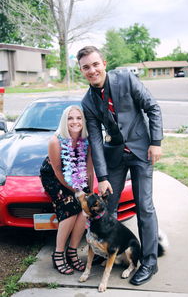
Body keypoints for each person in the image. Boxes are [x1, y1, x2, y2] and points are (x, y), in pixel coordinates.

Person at [77, 46, 163, 286]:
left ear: (103, 63)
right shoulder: (88, 101)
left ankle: (149, 260)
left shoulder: (125, 78)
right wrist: (102, 176)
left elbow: (152, 108)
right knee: (108, 207)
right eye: (86, 67)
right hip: (114, 156)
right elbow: (95, 138)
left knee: (144, 206)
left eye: (95, 64)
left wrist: (155, 142)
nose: (92, 70)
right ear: (81, 71)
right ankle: (107, 251)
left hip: (141, 150)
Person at [40, 105, 93, 275]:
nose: (75, 121)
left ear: (83, 121)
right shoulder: (55, 141)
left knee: (84, 209)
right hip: (55, 177)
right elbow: (57, 171)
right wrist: (77, 192)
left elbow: (89, 169)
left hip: (77, 175)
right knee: (70, 206)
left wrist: (88, 193)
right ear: (65, 121)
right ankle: (58, 253)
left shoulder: (87, 140)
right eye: (70, 118)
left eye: (79, 118)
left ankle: (72, 251)